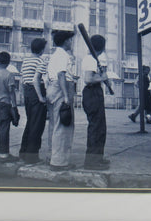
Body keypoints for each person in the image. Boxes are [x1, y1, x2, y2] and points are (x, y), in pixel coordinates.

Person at [46, 31, 76, 171]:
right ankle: (59, 162)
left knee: (54, 124)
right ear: (65, 41)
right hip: (61, 89)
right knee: (63, 125)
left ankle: (52, 156)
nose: (71, 43)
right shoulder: (63, 55)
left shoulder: (54, 55)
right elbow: (61, 75)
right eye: (70, 40)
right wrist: (65, 97)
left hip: (53, 88)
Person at [81, 34, 111, 170]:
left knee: (101, 128)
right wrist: (102, 77)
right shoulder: (90, 59)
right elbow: (88, 79)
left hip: (96, 92)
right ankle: (91, 162)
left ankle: (98, 158)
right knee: (95, 127)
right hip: (91, 92)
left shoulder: (95, 59)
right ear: (103, 47)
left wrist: (105, 81)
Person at [19, 38, 48, 164]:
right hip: (36, 92)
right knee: (37, 125)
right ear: (41, 49)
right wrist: (41, 96)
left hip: (27, 93)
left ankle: (23, 152)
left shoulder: (25, 61)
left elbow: (22, 79)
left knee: (30, 122)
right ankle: (32, 156)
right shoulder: (40, 61)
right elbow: (36, 80)